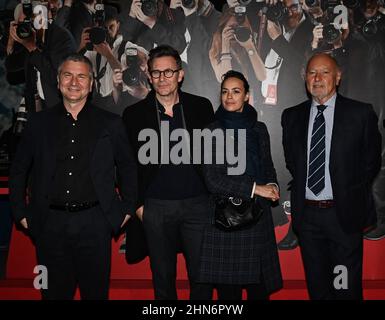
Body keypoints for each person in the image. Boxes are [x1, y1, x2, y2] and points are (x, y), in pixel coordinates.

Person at [9, 53, 137, 300]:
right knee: (52, 295)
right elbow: (18, 170)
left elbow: (128, 167)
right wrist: (21, 213)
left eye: (81, 76)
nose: (74, 82)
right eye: (68, 75)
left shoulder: (111, 123)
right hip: (48, 225)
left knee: (96, 295)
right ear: (58, 82)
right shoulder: (38, 123)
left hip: (95, 224)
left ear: (91, 84)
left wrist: (127, 210)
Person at [281, 53, 382, 299]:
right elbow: (293, 163)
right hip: (308, 218)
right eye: (312, 73)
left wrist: (348, 190)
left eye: (324, 72)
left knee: (344, 286)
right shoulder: (292, 116)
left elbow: (371, 162)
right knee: (318, 288)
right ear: (305, 78)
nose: (317, 78)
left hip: (343, 217)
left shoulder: (360, 114)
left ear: (337, 77)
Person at [122, 44, 214, 300]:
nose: (163, 78)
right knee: (162, 279)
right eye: (157, 73)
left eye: (169, 72)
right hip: (155, 208)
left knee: (202, 277)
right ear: (149, 77)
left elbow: (216, 156)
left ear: (180, 74)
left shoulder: (201, 107)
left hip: (197, 205)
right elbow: (125, 165)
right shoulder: (134, 115)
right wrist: (139, 206)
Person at [198, 70, 283, 300]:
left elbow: (268, 167)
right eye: (225, 92)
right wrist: (256, 188)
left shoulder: (260, 129)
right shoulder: (211, 131)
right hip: (228, 220)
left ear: (247, 95)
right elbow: (213, 180)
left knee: (260, 292)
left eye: (236, 91)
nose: (229, 96)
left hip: (259, 219)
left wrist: (273, 185)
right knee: (229, 298)